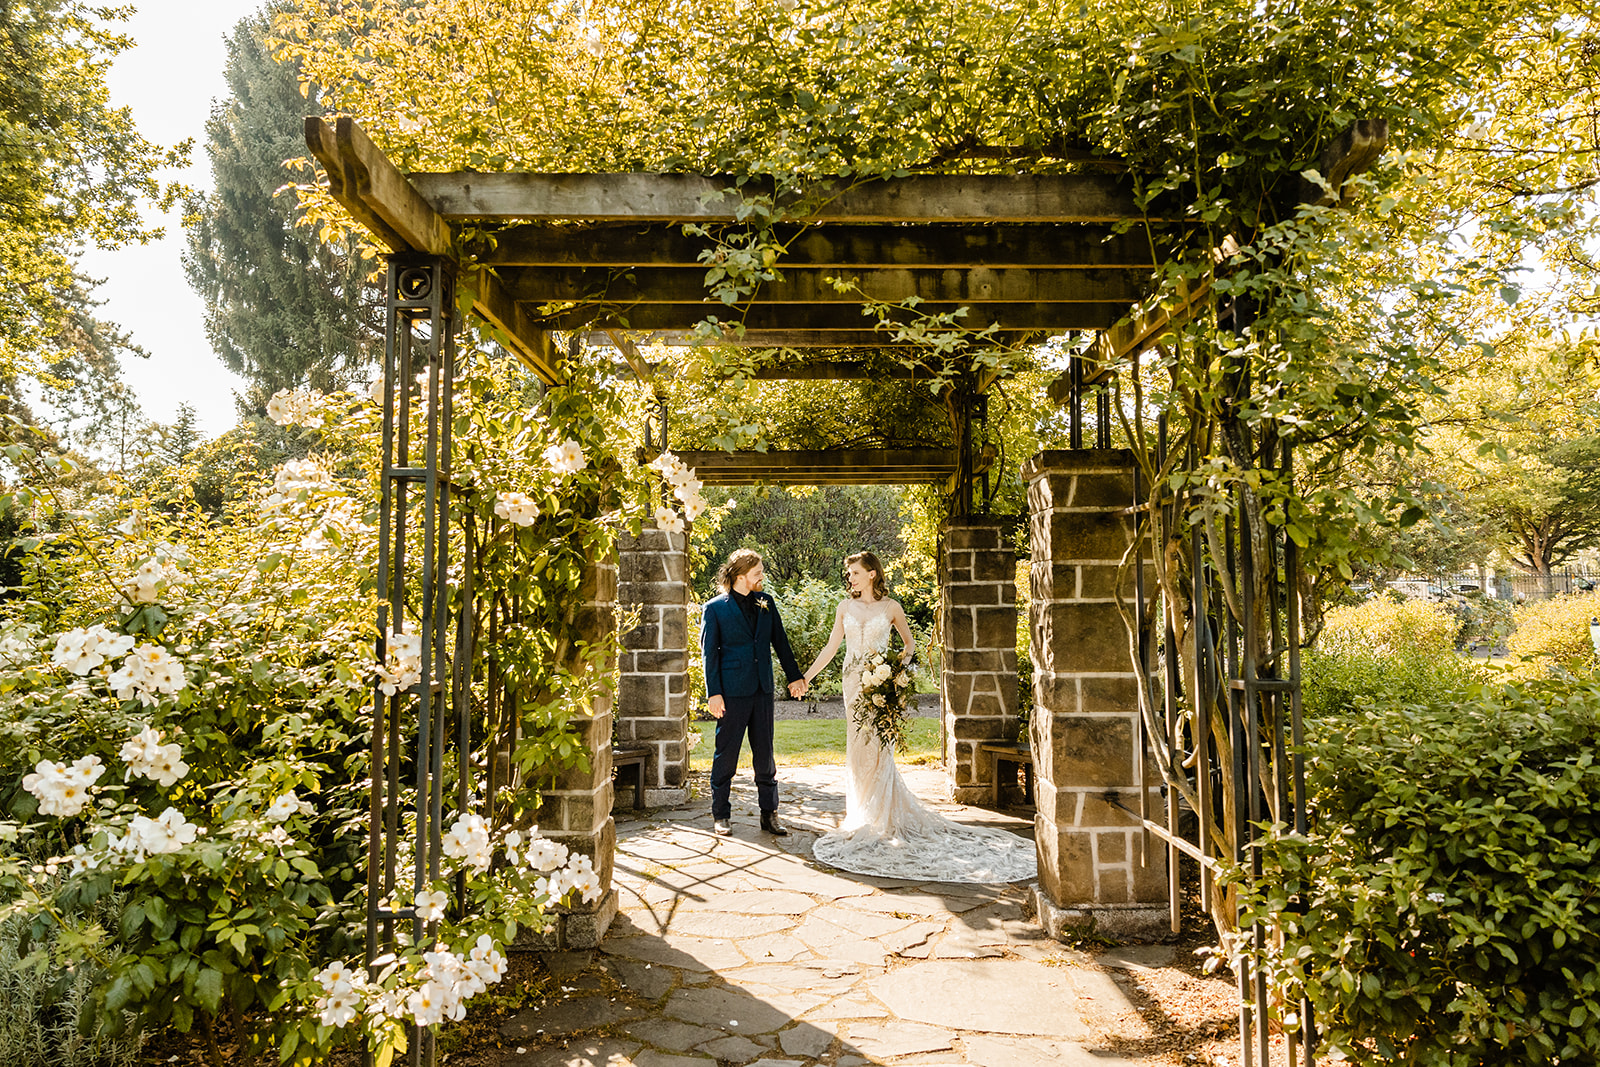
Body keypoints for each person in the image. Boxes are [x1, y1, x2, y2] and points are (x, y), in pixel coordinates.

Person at [799, 551, 1035, 882]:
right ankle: (861, 814)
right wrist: (806, 678)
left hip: (882, 682)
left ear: (871, 574)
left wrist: (895, 671)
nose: (849, 577)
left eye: (854, 572)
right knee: (858, 747)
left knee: (880, 746)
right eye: (848, 573)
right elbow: (831, 647)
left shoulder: (891, 607)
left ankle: (883, 815)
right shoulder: (844, 607)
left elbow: (909, 645)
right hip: (853, 682)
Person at [700, 548, 808, 837]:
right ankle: (720, 815)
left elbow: (781, 643)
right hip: (731, 693)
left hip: (762, 689)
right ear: (740, 575)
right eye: (758, 572)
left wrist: (795, 677)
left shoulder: (766, 603)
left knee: (765, 755)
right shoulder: (714, 608)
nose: (762, 576)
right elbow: (709, 655)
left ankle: (769, 814)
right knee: (726, 755)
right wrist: (714, 693)